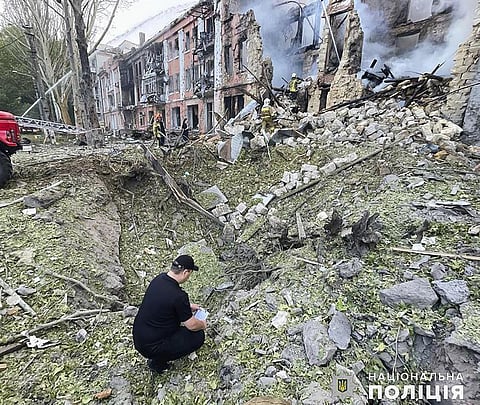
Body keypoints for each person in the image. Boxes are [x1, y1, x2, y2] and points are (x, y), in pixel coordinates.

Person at [133, 255, 207, 373]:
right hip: (153, 347)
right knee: (198, 336)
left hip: (139, 338)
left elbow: (164, 301)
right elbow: (192, 325)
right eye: (190, 273)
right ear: (185, 272)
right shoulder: (178, 296)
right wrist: (202, 324)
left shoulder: (159, 279)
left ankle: (158, 356)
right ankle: (158, 363)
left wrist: (187, 306)